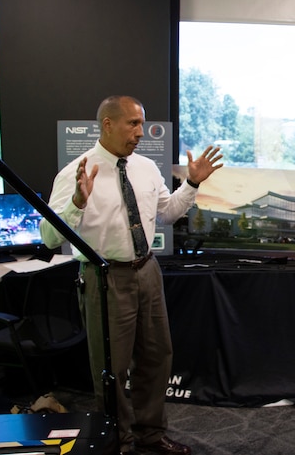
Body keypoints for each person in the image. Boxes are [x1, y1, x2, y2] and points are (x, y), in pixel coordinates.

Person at [40, 95, 223, 455]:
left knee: (157, 358)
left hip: (147, 271)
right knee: (112, 369)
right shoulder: (77, 171)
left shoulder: (145, 168)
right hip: (104, 278)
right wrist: (77, 202)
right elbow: (49, 238)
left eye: (142, 123)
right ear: (107, 124)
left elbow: (166, 214)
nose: (141, 132)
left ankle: (150, 435)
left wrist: (192, 185)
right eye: (133, 124)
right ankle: (117, 442)